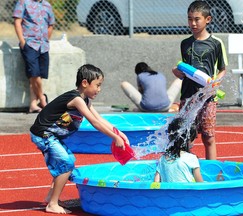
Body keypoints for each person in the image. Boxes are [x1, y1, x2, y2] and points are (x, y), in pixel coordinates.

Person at [30, 64, 130, 214]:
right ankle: (52, 204)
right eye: (97, 85)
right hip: (43, 133)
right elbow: (94, 123)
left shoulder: (86, 101)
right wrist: (114, 137)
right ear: (85, 83)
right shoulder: (76, 99)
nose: (99, 89)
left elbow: (100, 119)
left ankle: (51, 196)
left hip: (52, 135)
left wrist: (119, 132)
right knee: (66, 163)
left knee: (68, 160)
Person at [172, 1, 228, 160]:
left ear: (208, 19)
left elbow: (222, 69)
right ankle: (186, 167)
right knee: (185, 137)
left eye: (197, 19)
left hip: (208, 98)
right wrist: (177, 71)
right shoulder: (185, 44)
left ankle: (211, 167)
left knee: (208, 137)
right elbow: (185, 70)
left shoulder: (216, 44)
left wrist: (215, 84)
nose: (193, 23)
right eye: (190, 19)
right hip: (188, 96)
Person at [13, 0, 55, 113]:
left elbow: (50, 25)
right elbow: (17, 21)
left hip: (43, 46)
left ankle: (33, 104)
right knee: (34, 73)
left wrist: (46, 40)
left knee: (38, 75)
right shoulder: (23, 2)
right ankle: (42, 99)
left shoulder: (47, 5)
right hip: (30, 44)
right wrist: (22, 41)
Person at [154, 117, 203, 183]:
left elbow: (156, 183)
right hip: (187, 193)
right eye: (194, 138)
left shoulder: (162, 159)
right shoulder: (191, 159)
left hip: (167, 193)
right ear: (188, 139)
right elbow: (200, 184)